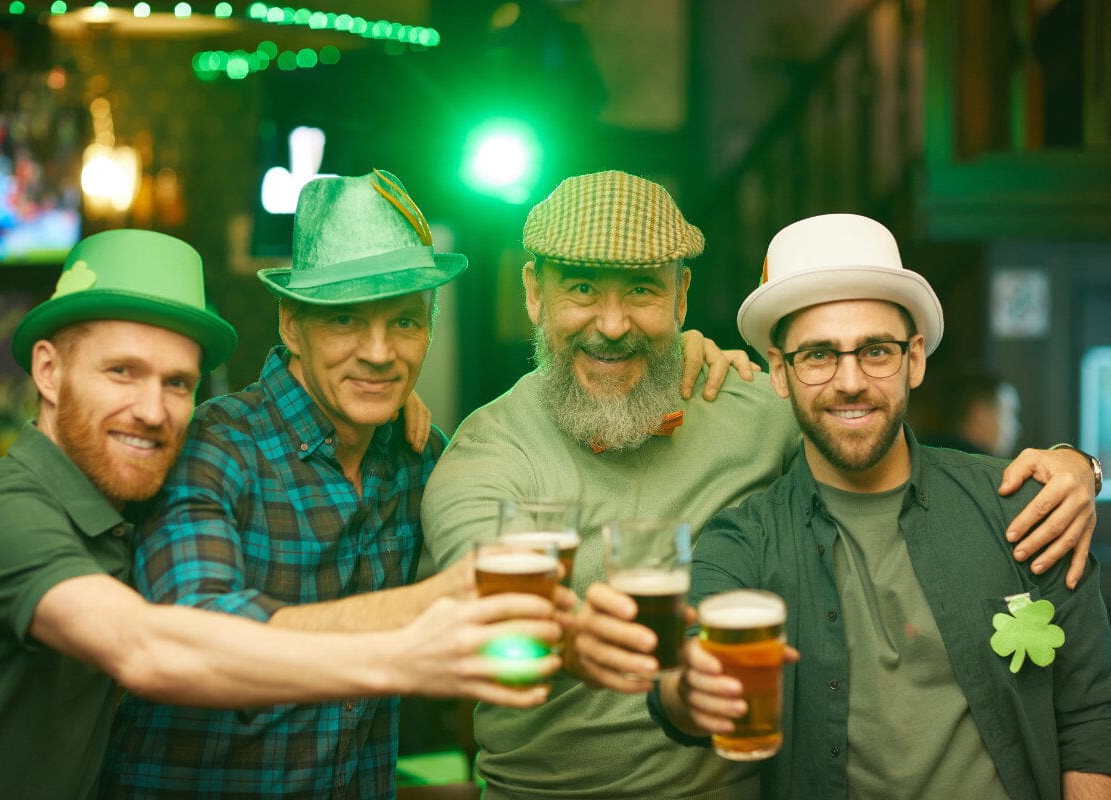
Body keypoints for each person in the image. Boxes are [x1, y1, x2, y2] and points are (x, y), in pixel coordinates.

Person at [422, 173, 1101, 800]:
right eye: (581, 289)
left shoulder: (755, 405)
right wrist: (674, 679)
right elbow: (489, 622)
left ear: (681, 299)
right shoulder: (489, 457)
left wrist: (1080, 466)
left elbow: (851, 420)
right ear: (534, 291)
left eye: (641, 290)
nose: (612, 323)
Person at [0, 228, 565, 800]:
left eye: (178, 384)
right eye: (120, 371)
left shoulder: (119, 510)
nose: (151, 409)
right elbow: (149, 647)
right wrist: (410, 648)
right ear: (48, 373)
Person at [599, 213, 1110, 798]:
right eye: (817, 355)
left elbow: (1092, 711)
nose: (849, 381)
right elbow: (678, 685)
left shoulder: (1021, 507)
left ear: (914, 359)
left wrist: (1083, 467)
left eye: (875, 350)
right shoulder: (744, 539)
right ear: (779, 372)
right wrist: (689, 688)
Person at [922, 370, 1022, 457]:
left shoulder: (919, 453)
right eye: (1009, 415)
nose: (1018, 429)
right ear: (980, 415)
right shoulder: (985, 474)